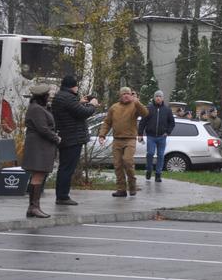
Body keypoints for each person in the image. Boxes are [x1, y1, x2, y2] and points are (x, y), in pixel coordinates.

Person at [50, 75, 98, 206]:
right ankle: (63, 196)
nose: (77, 88)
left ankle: (61, 195)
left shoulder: (60, 96)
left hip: (65, 136)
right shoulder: (68, 98)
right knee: (67, 168)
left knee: (64, 167)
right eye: (76, 86)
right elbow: (83, 113)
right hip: (72, 138)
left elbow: (72, 110)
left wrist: (79, 103)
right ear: (73, 86)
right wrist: (93, 105)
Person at [98, 87, 148, 197]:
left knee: (128, 161)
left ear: (131, 95)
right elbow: (107, 122)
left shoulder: (135, 105)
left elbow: (145, 114)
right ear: (120, 96)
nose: (126, 95)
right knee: (117, 165)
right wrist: (102, 135)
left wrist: (137, 102)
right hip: (117, 140)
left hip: (130, 139)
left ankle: (132, 185)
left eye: (128, 93)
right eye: (124, 94)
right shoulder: (114, 107)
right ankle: (121, 189)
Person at [22, 85, 61, 218]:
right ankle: (34, 207)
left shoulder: (39, 108)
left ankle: (33, 207)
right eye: (47, 96)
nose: (49, 98)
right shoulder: (36, 109)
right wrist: (56, 138)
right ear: (42, 96)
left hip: (41, 146)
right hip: (38, 147)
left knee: (39, 175)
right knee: (38, 175)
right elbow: (43, 129)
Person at [139, 90, 176, 183]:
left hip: (162, 137)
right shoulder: (149, 108)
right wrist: (140, 134)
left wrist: (167, 132)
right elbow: (142, 122)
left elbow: (172, 123)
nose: (158, 98)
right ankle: (149, 169)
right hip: (151, 136)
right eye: (156, 96)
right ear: (154, 98)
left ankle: (158, 174)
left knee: (160, 155)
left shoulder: (167, 109)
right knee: (150, 153)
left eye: (160, 96)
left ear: (163, 98)